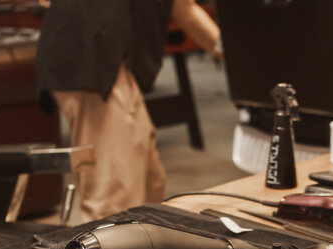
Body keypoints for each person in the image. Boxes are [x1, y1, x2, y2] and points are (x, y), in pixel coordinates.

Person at [36, 0, 221, 222]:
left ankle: (141, 248)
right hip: (91, 57)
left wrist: (236, 56)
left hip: (116, 65)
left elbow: (185, 10)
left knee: (150, 183)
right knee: (113, 200)